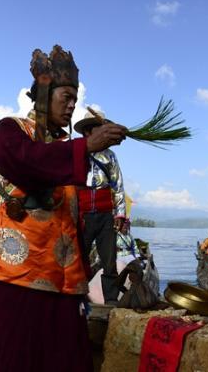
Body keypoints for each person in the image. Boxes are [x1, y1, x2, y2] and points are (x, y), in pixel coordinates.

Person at [0, 45, 126, 372]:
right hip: (16, 281)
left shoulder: (66, 151)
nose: (72, 104)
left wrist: (84, 276)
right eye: (66, 96)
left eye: (76, 98)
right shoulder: (10, 131)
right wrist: (86, 146)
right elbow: (28, 164)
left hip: (64, 286)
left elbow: (70, 222)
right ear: (44, 94)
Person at [74, 113, 127, 306]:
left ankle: (111, 300)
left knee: (109, 260)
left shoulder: (110, 156)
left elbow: (118, 185)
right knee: (79, 258)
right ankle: (76, 297)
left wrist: (120, 214)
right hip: (83, 215)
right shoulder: (78, 151)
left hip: (106, 215)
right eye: (97, 129)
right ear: (88, 131)